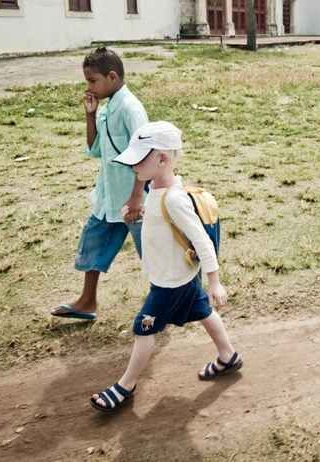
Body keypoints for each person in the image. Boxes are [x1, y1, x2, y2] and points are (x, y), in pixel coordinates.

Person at [89, 121, 241, 413]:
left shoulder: (174, 199)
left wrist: (215, 282)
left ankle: (125, 386)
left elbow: (202, 242)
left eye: (139, 158)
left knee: (143, 329)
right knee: (202, 311)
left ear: (162, 159)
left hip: (170, 283)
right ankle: (228, 355)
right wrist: (140, 215)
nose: (132, 164)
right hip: (175, 276)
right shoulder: (157, 191)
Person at [50, 47, 148, 321]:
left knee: (151, 254)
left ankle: (165, 304)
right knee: (93, 242)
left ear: (112, 77)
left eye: (92, 81)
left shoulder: (130, 108)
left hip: (133, 199)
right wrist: (91, 115)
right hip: (108, 196)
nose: (88, 87)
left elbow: (147, 154)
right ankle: (87, 301)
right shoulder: (107, 107)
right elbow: (94, 149)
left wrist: (137, 197)